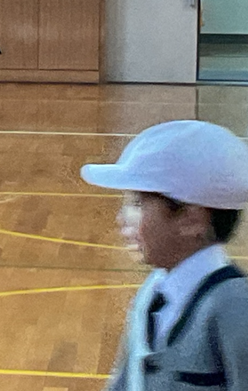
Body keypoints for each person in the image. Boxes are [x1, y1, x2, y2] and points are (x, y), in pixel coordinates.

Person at [80, 120, 248, 391]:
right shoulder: (153, 291)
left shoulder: (234, 308)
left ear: (191, 220)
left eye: (137, 204)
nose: (122, 217)